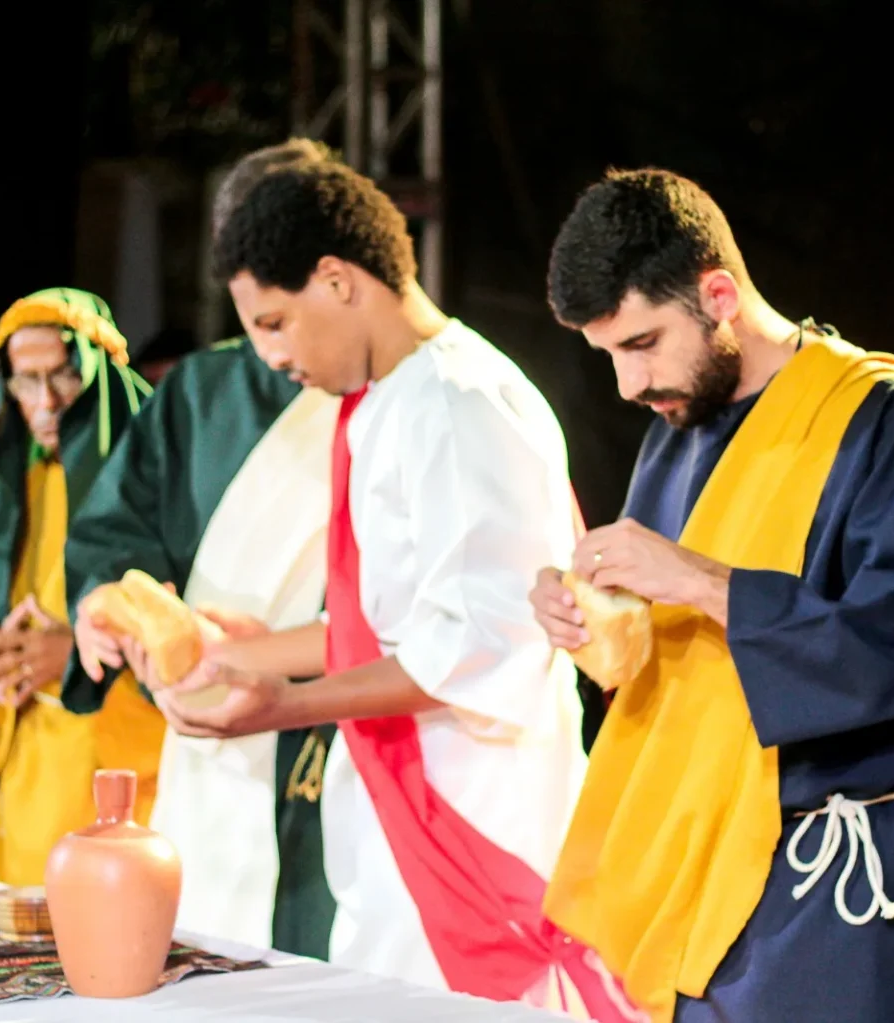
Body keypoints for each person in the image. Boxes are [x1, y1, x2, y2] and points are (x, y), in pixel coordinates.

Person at [146, 153, 621, 1017]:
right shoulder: (386, 400)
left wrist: (281, 705)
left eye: (277, 323)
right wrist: (242, 649)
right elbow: (382, 627)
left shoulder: (458, 402)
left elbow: (476, 649)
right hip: (396, 807)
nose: (272, 356)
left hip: (474, 816)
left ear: (338, 279)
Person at [529, 169, 894, 1023]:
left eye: (642, 344)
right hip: (694, 883)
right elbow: (665, 660)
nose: (630, 386)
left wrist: (704, 582)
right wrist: (586, 616)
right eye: (610, 358)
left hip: (842, 889)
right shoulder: (678, 430)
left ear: (718, 295)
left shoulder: (889, 420)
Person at [67, 137, 344, 957]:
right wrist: (99, 608)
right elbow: (114, 530)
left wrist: (285, 659)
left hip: (338, 725)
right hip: (202, 724)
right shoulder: (200, 390)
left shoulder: (401, 393)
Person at [0, 287, 162, 885]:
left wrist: (78, 652)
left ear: (98, 374)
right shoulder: (20, 480)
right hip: (30, 757)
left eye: (63, 377)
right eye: (24, 381)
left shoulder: (153, 479)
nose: (45, 402)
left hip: (119, 758)